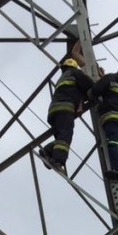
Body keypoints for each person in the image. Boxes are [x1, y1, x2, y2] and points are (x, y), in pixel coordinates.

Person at [39, 48, 94, 176]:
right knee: (66, 134)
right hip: (65, 109)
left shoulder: (62, 78)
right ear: (74, 66)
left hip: (53, 111)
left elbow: (75, 91)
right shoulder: (74, 73)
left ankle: (48, 152)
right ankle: (58, 160)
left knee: (62, 136)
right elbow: (90, 85)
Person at [91, 55, 118, 182]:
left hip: (114, 117)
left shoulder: (111, 78)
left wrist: (89, 93)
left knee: (112, 143)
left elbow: (96, 90)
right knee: (112, 144)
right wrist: (102, 78)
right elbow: (111, 92)